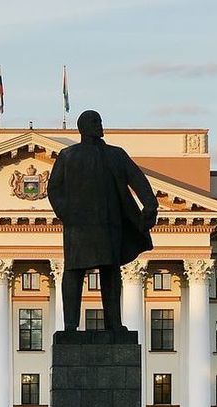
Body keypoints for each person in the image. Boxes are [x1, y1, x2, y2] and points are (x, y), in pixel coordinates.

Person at [48, 110, 159, 331]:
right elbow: (54, 188)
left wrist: (150, 203)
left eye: (99, 121)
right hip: (79, 227)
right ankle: (70, 325)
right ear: (83, 127)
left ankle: (113, 323)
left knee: (110, 272)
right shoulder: (68, 155)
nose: (100, 125)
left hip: (109, 223)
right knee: (74, 272)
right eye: (95, 122)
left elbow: (137, 179)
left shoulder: (115, 154)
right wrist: (66, 213)